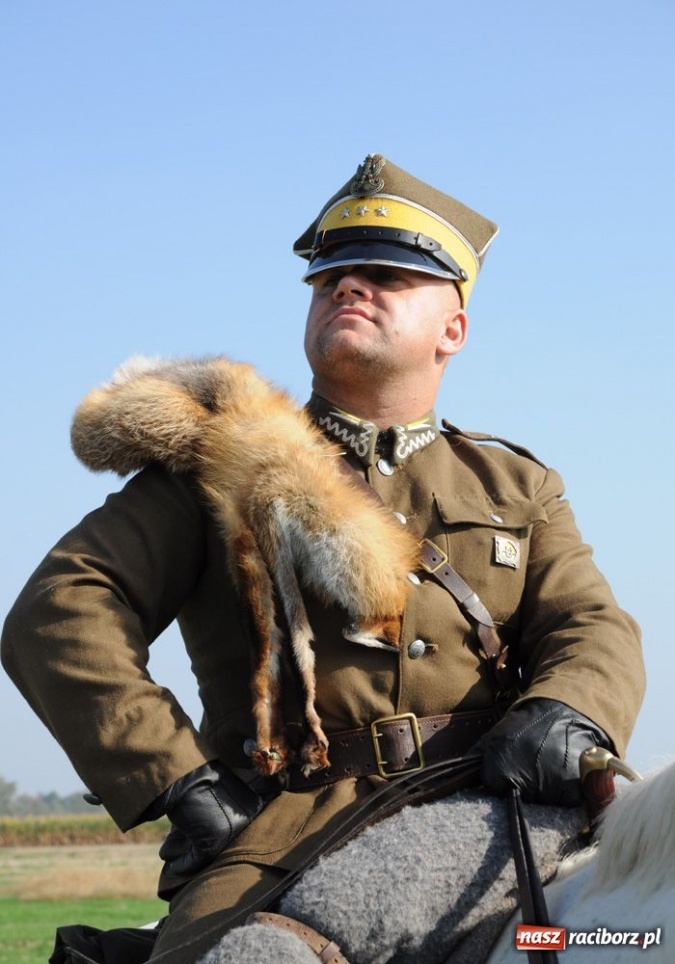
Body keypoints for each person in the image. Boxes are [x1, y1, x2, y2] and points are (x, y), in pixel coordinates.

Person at [1, 153, 645, 964]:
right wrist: (179, 777)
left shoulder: (516, 485)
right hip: (286, 837)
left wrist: (568, 710)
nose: (347, 285)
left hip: (495, 808)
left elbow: (590, 623)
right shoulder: (217, 465)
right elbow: (60, 606)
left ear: (453, 330)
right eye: (329, 276)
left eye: (386, 274)